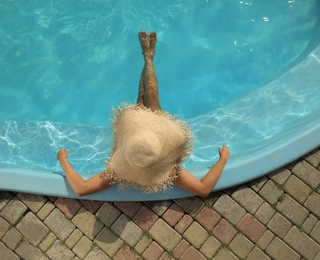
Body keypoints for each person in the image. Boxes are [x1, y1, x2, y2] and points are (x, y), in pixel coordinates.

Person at [57, 32, 229, 197]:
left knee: (142, 97)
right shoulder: (170, 172)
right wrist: (223, 159)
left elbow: (81, 189)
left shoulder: (117, 173)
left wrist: (63, 159)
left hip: (146, 137)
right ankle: (148, 57)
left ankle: (147, 56)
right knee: (151, 95)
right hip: (157, 134)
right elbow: (204, 189)